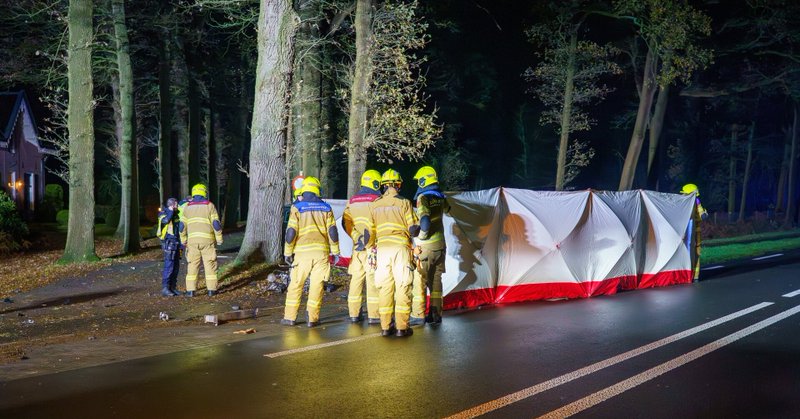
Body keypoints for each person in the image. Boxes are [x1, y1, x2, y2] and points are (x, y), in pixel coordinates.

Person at [282, 176, 341, 327]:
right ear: (317, 190)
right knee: (317, 285)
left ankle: (290, 317)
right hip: (321, 253)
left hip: (302, 253)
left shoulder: (297, 208)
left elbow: (290, 233)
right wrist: (335, 252)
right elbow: (333, 232)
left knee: (296, 284)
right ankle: (313, 318)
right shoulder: (326, 208)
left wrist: (287, 253)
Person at [367, 169, 419, 337]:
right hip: (400, 249)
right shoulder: (404, 203)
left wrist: (369, 248)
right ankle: (402, 328)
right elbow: (413, 229)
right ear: (399, 185)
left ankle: (385, 327)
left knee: (385, 288)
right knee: (403, 286)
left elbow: (370, 233)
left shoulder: (375, 204)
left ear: (383, 186)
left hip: (382, 250)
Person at [409, 166, 450, 325]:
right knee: (436, 281)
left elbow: (424, 222)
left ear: (423, 180)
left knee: (420, 279)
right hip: (441, 246)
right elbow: (449, 210)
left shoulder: (422, 198)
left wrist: (422, 236)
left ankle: (418, 315)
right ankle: (436, 315)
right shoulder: (441, 197)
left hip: (426, 248)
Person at [342, 170, 383, 324]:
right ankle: (374, 315)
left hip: (358, 247)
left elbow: (346, 223)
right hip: (373, 247)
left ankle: (354, 314)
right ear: (376, 183)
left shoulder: (352, 201)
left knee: (356, 279)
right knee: (372, 279)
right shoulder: (378, 200)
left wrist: (356, 237)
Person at [179, 184, 223, 297]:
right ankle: (211, 290)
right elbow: (216, 225)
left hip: (192, 242)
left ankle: (190, 291)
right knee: (210, 265)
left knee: (192, 265)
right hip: (207, 241)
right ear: (204, 192)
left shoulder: (187, 207)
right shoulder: (210, 206)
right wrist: (219, 239)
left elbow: (182, 226)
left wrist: (183, 240)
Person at [681, 183, 708, 281]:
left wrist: (703, 214)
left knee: (692, 252)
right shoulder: (692, 201)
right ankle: (691, 275)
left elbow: (702, 215)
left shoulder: (695, 202)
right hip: (690, 231)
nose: (683, 195)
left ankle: (692, 275)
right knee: (691, 252)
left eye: (685, 193)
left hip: (692, 231)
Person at [157, 197, 183, 296]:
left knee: (176, 266)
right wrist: (171, 211)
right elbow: (166, 221)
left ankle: (173, 287)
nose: (177, 206)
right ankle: (165, 288)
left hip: (176, 242)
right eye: (176, 205)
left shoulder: (176, 214)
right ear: (172, 205)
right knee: (169, 266)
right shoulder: (163, 213)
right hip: (169, 243)